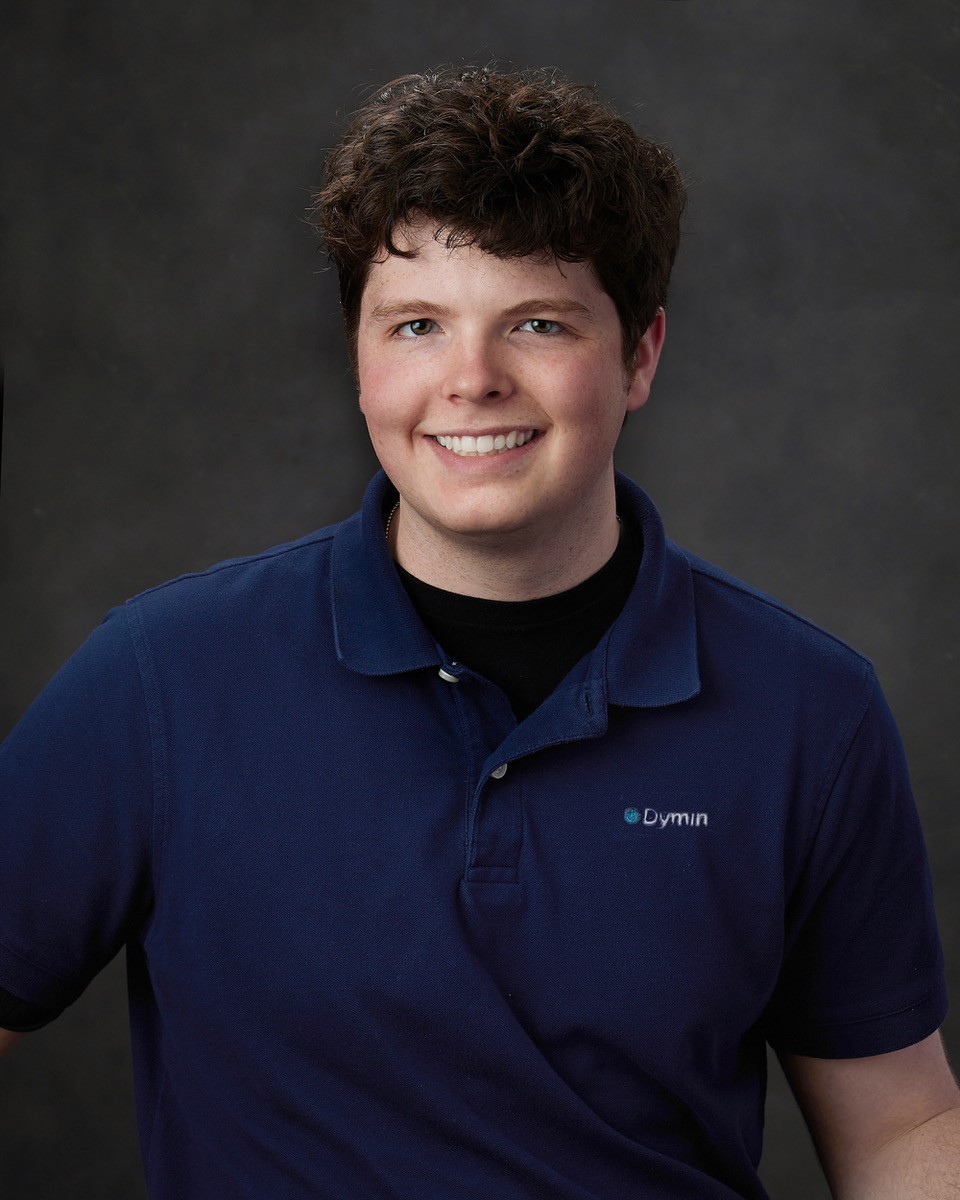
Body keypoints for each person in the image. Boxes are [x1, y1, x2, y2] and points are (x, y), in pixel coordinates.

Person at [1, 66, 957, 1199]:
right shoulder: (160, 678)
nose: (471, 382)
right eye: (416, 326)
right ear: (360, 361)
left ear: (640, 355)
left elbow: (901, 1128)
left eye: (538, 323)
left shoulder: (808, 709)